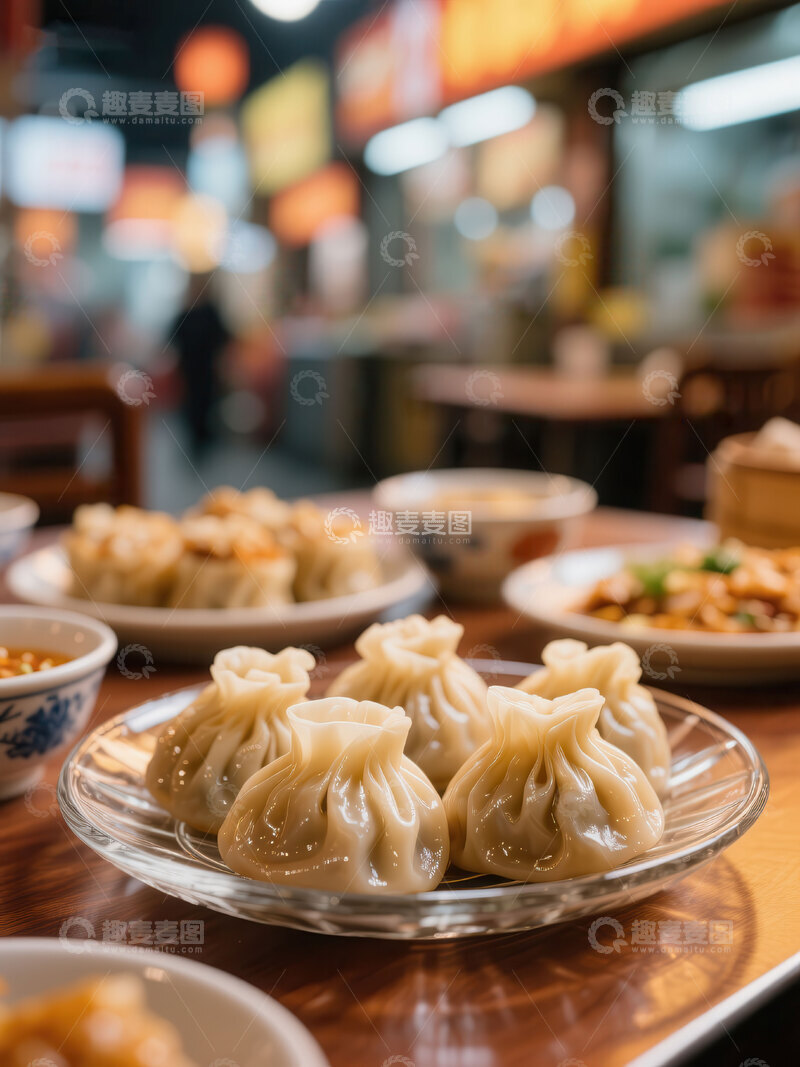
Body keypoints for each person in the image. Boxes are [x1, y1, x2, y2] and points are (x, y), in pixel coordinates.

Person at [167, 273, 231, 459]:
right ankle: (196, 444)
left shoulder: (210, 313)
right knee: (190, 408)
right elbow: (172, 341)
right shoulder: (184, 315)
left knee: (205, 407)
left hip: (207, 372)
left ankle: (204, 444)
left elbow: (224, 340)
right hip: (188, 372)